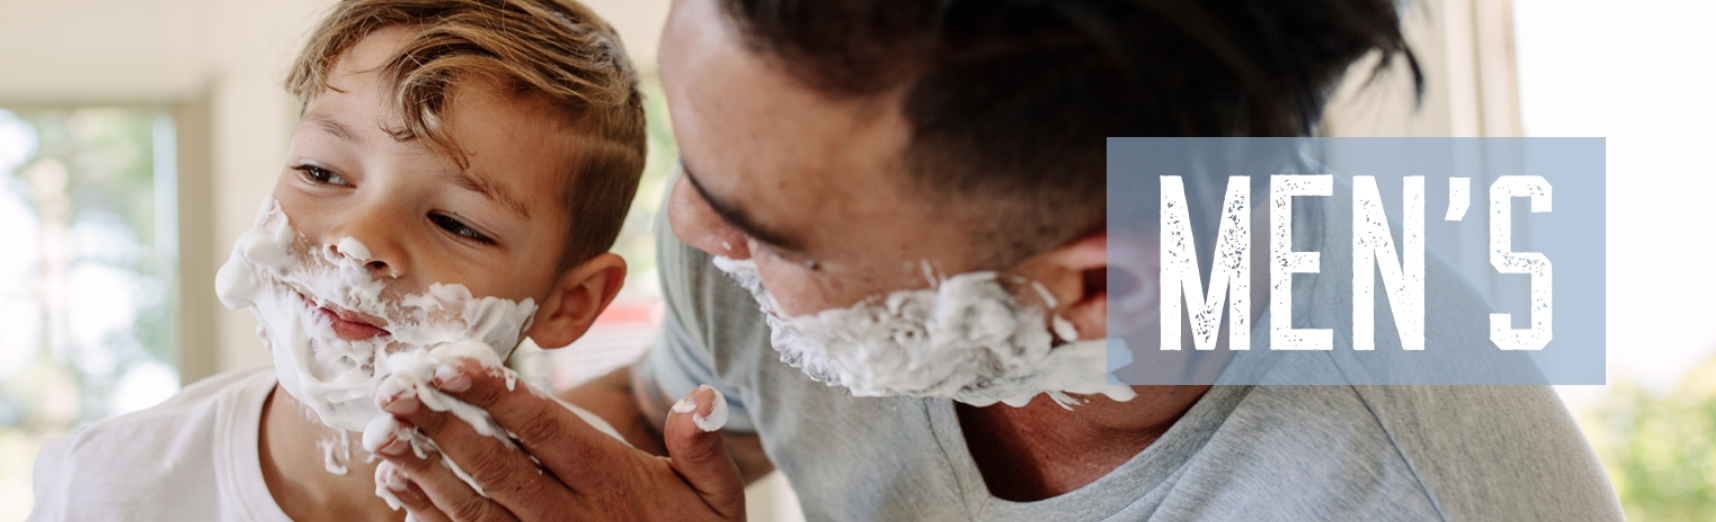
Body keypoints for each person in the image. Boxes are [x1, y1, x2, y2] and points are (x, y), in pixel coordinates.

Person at [370, 0, 1628, 520]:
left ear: (1095, 285)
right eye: (694, 162)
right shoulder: (753, 226)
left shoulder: (1401, 495)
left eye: (764, 227)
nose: (691, 230)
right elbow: (681, 420)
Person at [27, 0, 647, 520]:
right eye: (320, 172)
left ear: (571, 303)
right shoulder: (107, 486)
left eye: (455, 223)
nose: (358, 241)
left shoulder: (601, 501)